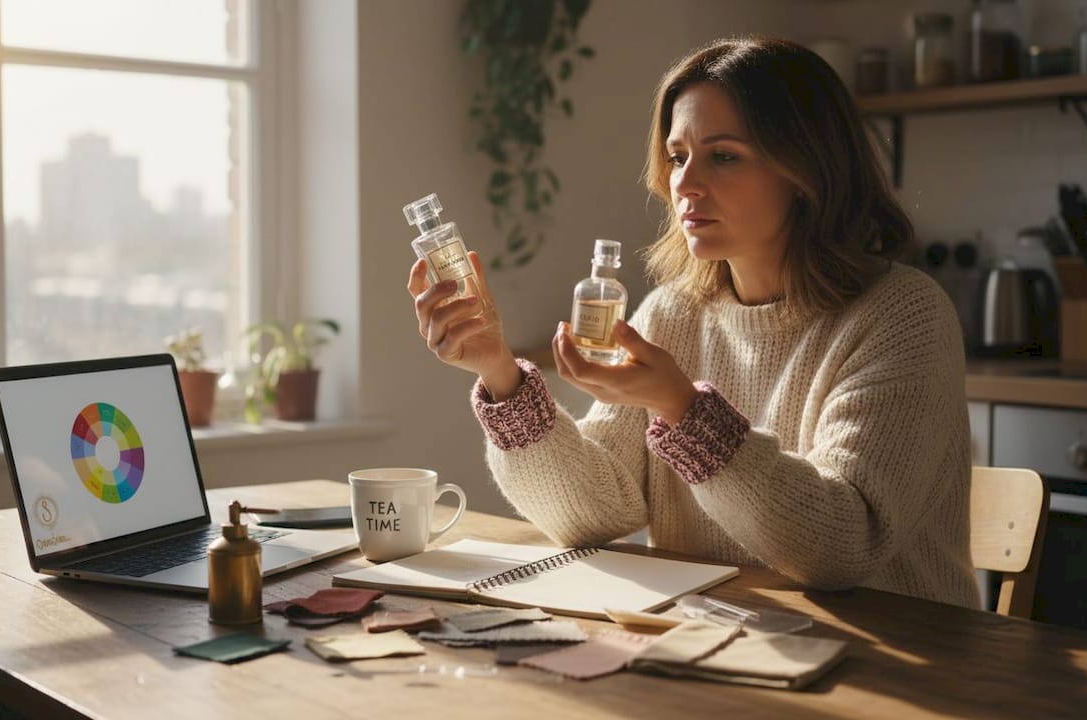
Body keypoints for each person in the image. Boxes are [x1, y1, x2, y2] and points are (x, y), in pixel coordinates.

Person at [407, 36, 978, 609]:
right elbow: (596, 516)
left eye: (723, 156)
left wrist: (683, 409)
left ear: (806, 170)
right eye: (678, 157)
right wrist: (499, 373)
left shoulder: (903, 315)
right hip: (717, 633)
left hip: (893, 646)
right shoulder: (672, 313)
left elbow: (843, 546)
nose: (683, 183)